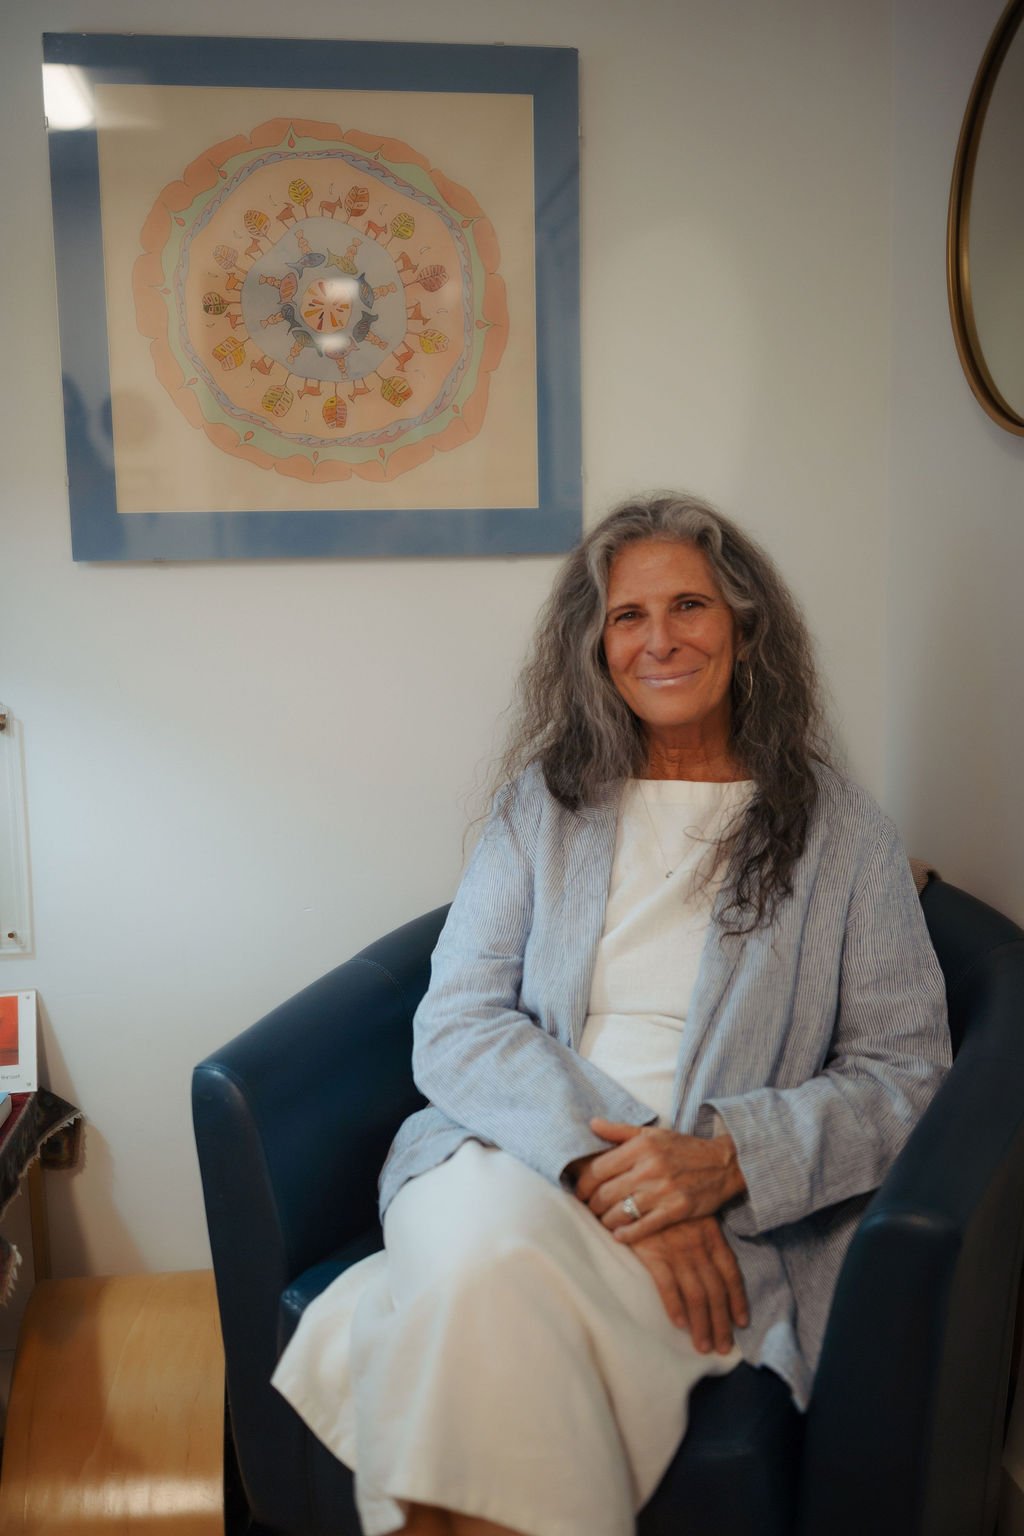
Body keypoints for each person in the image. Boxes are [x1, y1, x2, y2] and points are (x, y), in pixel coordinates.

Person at [273, 493, 950, 1536]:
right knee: (484, 1264)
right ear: (593, 646)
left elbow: (904, 1073)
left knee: (458, 1316)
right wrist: (596, 1167)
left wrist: (725, 1161)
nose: (660, 639)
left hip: (719, 1206)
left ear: (744, 625)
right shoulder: (540, 806)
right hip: (511, 1148)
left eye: (690, 605)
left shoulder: (842, 832)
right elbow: (456, 1023)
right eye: (627, 616)